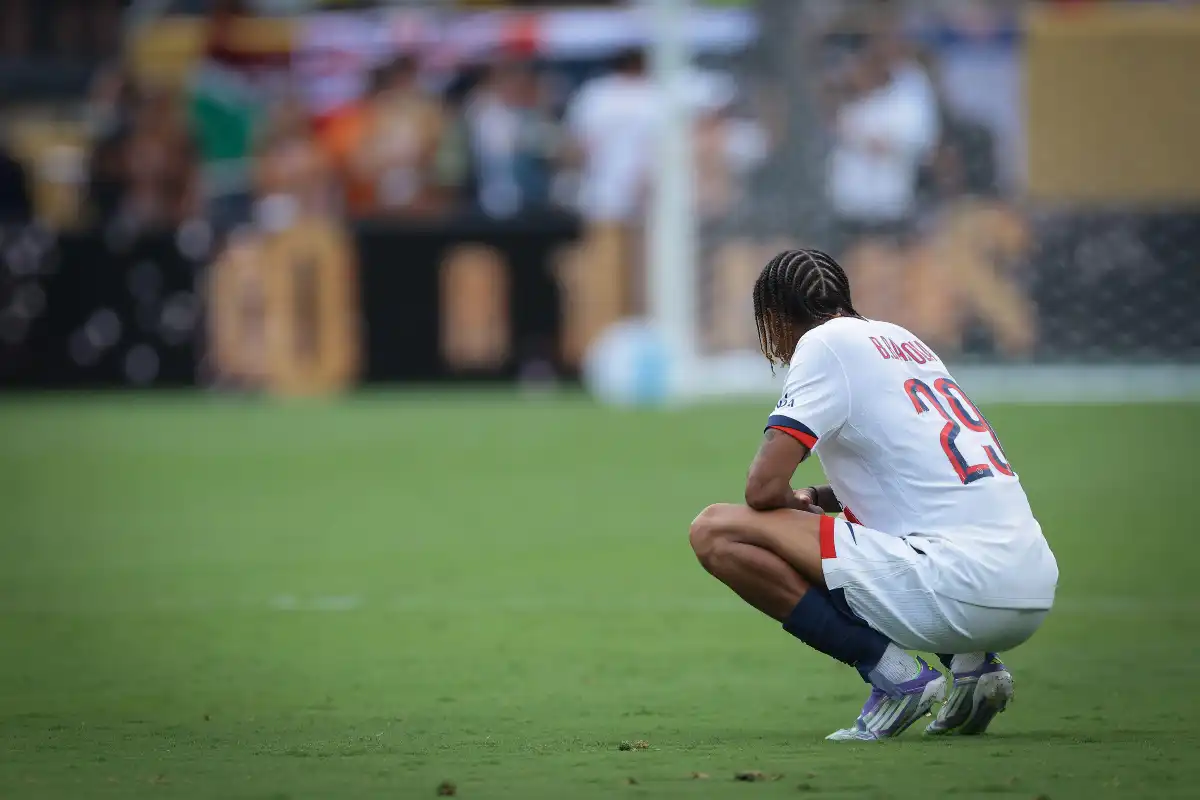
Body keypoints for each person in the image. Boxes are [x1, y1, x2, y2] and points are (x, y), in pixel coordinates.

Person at [688, 248, 1058, 741]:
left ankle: (893, 676)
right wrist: (815, 497)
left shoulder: (823, 345)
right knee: (868, 527)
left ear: (773, 317)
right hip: (1030, 581)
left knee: (716, 531)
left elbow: (762, 489)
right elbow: (912, 474)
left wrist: (792, 507)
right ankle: (973, 667)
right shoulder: (903, 340)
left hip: (961, 588)